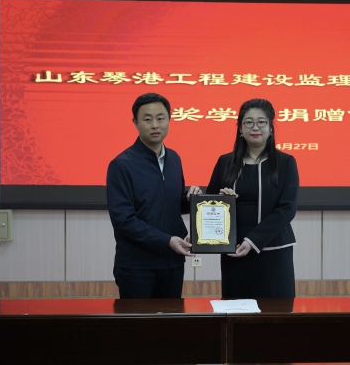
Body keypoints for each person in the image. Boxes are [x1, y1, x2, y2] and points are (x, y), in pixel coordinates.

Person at [106, 92, 201, 299]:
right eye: (147, 119)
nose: (155, 125)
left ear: (169, 119)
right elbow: (123, 220)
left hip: (173, 262)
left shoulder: (174, 158)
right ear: (135, 122)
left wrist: (190, 200)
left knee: (171, 319)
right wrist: (166, 240)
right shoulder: (121, 165)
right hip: (137, 266)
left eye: (160, 118)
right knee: (138, 321)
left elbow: (171, 204)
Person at [206, 98, 299, 299]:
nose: (255, 127)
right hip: (234, 250)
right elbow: (209, 202)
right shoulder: (225, 162)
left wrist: (253, 240)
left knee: (276, 310)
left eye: (261, 122)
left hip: (274, 251)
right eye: (248, 122)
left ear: (271, 128)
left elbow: (287, 208)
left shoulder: (285, 162)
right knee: (236, 309)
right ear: (240, 129)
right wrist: (222, 201)